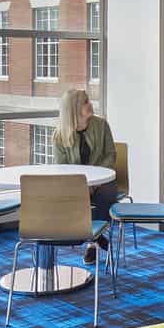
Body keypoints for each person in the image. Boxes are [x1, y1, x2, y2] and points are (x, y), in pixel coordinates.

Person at [52, 88, 116, 263]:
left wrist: (95, 181)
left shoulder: (101, 126)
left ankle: (92, 243)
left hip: (103, 180)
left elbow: (111, 155)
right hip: (75, 184)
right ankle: (95, 237)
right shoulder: (59, 136)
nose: (90, 104)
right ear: (75, 109)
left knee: (105, 194)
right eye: (86, 102)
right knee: (74, 197)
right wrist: (82, 185)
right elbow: (62, 169)